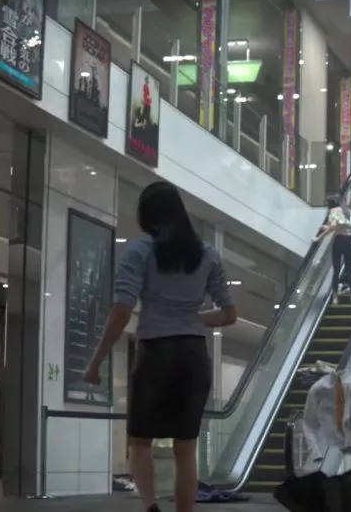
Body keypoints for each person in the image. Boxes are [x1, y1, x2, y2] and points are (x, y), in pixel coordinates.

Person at [83, 181, 237, 512]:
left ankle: (152, 506)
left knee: (140, 442)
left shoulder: (141, 250)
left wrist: (95, 361)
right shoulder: (208, 254)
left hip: (155, 355)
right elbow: (229, 314)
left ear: (148, 216)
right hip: (193, 356)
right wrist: (195, 321)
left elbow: (122, 309)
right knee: (186, 449)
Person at [315, 195, 351, 305]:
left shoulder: (333, 211)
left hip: (338, 240)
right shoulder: (347, 211)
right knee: (349, 269)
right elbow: (344, 224)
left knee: (336, 269)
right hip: (348, 240)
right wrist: (326, 227)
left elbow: (332, 226)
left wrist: (319, 237)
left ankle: (335, 296)